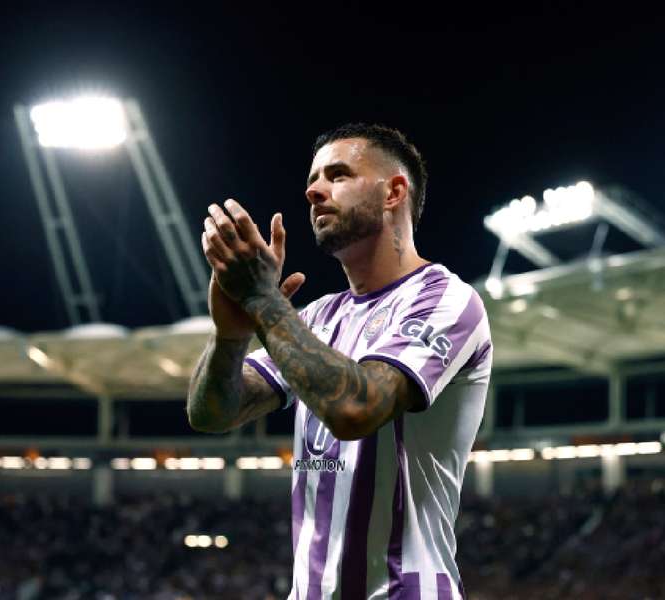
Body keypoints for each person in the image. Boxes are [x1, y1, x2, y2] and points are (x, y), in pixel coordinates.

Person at [187, 123, 493, 600]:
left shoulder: (445, 299)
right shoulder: (319, 316)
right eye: (313, 178)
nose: (312, 190)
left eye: (338, 175)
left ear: (394, 192)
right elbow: (213, 412)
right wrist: (231, 335)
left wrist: (266, 303)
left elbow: (358, 409)